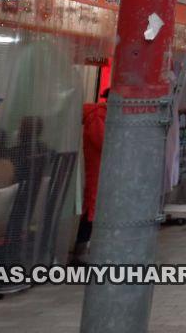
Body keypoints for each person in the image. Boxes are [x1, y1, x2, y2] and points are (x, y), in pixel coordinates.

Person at [76, 88, 109, 257]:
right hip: (98, 171)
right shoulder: (98, 116)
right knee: (93, 208)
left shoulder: (101, 116)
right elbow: (103, 143)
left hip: (103, 171)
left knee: (96, 207)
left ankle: (85, 248)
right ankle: (82, 249)